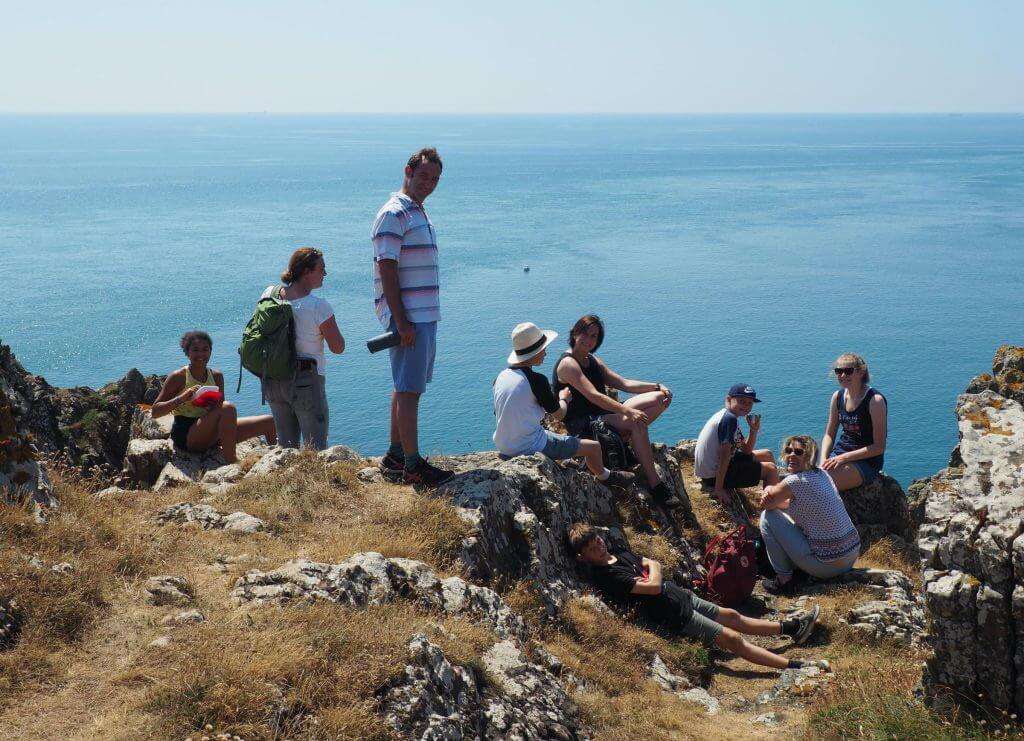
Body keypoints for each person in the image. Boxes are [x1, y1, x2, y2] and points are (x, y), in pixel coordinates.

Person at [568, 523, 826, 671]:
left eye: (599, 541)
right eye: (592, 548)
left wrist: (652, 569)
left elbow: (648, 563)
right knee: (733, 638)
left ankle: (792, 628)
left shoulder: (618, 552)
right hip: (674, 615)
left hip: (681, 596)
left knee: (733, 616)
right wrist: (654, 571)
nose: (600, 547)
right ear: (583, 557)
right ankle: (794, 666)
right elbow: (653, 585)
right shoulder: (608, 576)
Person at [372, 147, 453, 487]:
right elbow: (386, 267)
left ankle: (394, 455)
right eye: (424, 176)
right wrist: (402, 321)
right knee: (410, 392)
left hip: (421, 315)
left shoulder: (417, 211)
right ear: (407, 170)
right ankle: (412, 465)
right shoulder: (394, 213)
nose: (429, 184)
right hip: (410, 317)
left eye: (435, 179)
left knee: (404, 387)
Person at [552, 314, 676, 506]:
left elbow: (624, 383)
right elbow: (594, 395)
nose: (588, 339)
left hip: (604, 415)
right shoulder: (568, 364)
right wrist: (628, 412)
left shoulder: (591, 359)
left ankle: (625, 436)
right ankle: (656, 484)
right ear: (574, 333)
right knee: (637, 422)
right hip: (585, 423)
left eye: (594, 336)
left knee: (660, 399)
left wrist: (657, 386)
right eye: (584, 333)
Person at [493, 322, 636, 489]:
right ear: (534, 353)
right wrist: (564, 398)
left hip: (503, 443)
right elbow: (558, 415)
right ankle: (606, 477)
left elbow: (501, 412)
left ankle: (565, 461)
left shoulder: (501, 377)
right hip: (528, 445)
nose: (546, 352)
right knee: (593, 447)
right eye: (543, 349)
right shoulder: (537, 380)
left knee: (548, 435)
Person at [261, 247, 344, 450]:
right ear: (307, 271)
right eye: (321, 269)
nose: (325, 273)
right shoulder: (318, 306)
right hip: (306, 380)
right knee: (315, 449)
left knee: (286, 447)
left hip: (273, 378)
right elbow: (338, 347)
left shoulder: (269, 294)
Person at [152, 330, 276, 463]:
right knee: (228, 407)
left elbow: (219, 409)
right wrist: (181, 398)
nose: (201, 354)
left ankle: (275, 462)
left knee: (269, 422)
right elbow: (155, 411)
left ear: (210, 351)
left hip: (212, 431)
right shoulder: (178, 377)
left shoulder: (216, 376)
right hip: (188, 434)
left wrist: (211, 403)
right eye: (195, 350)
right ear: (187, 353)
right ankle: (232, 463)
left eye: (205, 349)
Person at [758, 435, 861, 595]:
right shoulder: (822, 475)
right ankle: (798, 566)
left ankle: (784, 580)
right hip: (851, 556)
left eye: (799, 452)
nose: (791, 455)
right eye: (788, 450)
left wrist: (767, 491)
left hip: (827, 567)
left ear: (809, 457)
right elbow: (787, 505)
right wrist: (773, 496)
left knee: (768, 517)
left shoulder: (794, 481)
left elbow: (767, 505)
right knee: (783, 514)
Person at [694, 384, 779, 506]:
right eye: (742, 402)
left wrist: (753, 430)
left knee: (767, 454)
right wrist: (719, 488)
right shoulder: (729, 420)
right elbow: (725, 455)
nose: (746, 406)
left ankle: (772, 493)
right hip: (713, 475)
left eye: (749, 403)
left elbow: (746, 450)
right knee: (770, 469)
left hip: (710, 469)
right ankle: (771, 509)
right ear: (729, 399)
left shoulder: (727, 416)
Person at [820, 353, 888, 491]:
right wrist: (823, 460)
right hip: (839, 453)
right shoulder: (837, 397)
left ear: (861, 371)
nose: (842, 375)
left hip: (866, 461)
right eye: (838, 371)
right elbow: (829, 434)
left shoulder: (875, 401)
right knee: (805, 480)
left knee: (821, 485)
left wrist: (843, 458)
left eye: (848, 371)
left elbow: (879, 447)